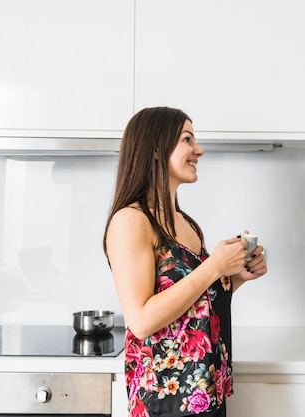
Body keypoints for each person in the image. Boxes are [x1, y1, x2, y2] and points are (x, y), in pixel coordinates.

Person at [103, 106, 268, 417]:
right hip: (165, 400)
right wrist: (214, 267)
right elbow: (140, 321)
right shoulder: (131, 220)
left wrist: (237, 276)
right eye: (187, 139)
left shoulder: (184, 222)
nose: (199, 150)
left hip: (205, 393)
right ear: (155, 149)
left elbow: (196, 304)